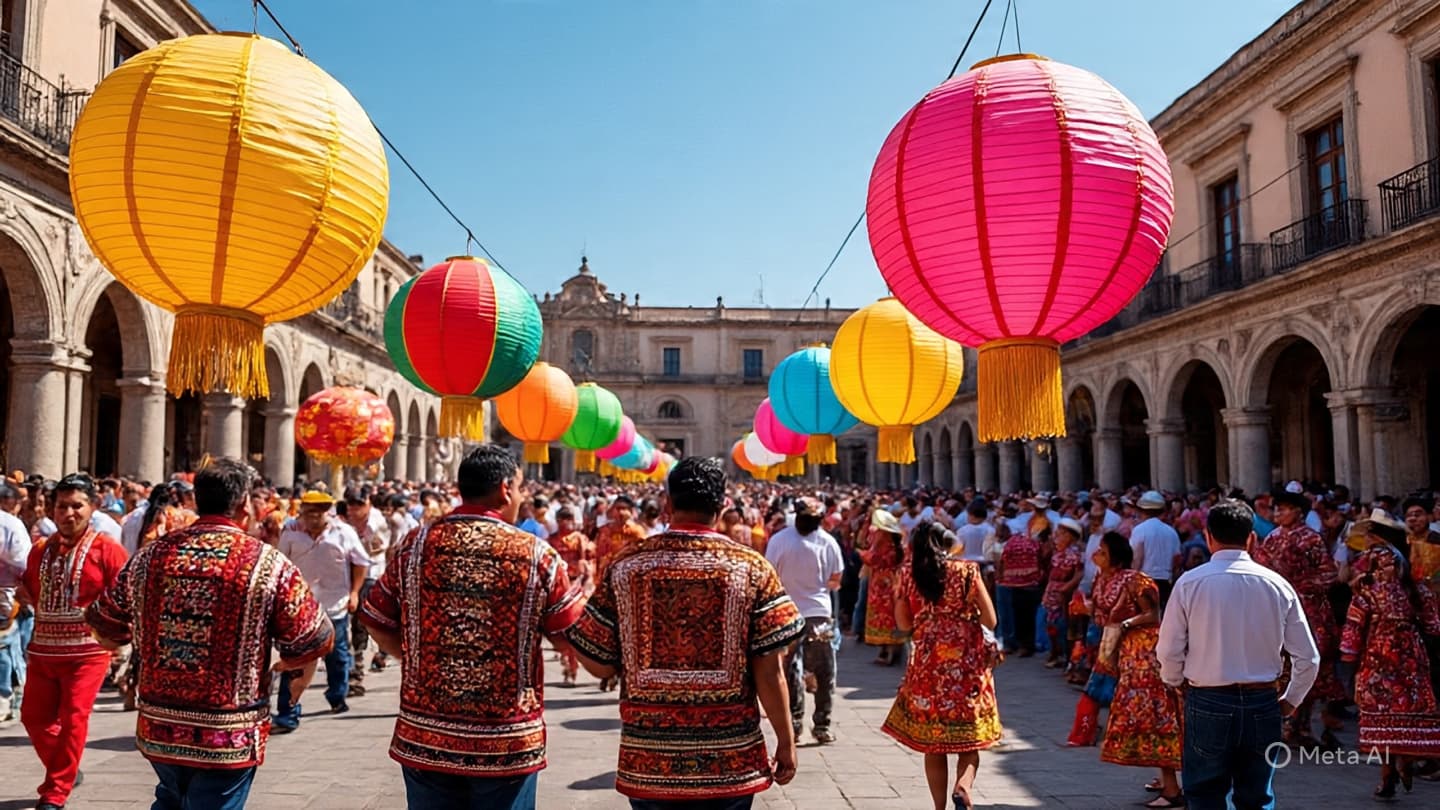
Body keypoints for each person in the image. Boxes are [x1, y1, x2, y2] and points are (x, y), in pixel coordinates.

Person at [86, 459, 334, 810]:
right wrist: (294, 674)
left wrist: (138, 641)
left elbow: (104, 622)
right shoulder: (266, 563)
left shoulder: (150, 557)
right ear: (244, 505)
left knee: (170, 798)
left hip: (161, 723)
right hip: (226, 730)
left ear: (196, 501)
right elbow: (313, 638)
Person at [566, 456, 805, 808]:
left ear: (668, 503)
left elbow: (599, 665)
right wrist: (786, 741)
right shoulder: (752, 568)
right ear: (723, 506)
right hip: (729, 760)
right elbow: (770, 672)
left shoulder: (627, 566)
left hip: (649, 760)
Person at [360, 445, 584, 810]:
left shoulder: (415, 545)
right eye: (522, 487)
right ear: (506, 488)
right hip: (505, 740)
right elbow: (570, 634)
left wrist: (416, 659)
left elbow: (375, 619)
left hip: (427, 733)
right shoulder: (535, 554)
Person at [1157, 499, 1321, 810]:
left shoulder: (1190, 583)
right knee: (1256, 795)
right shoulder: (1278, 585)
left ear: (1208, 537)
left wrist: (1175, 681)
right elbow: (1308, 658)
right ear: (1252, 538)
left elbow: (1168, 648)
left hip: (1208, 698)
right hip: (1262, 701)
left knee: (1205, 793)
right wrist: (1290, 700)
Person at [17, 474, 128, 810]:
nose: (69, 513)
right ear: (52, 510)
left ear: (92, 508)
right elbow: (29, 588)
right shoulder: (40, 550)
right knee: (33, 719)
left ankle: (55, 792)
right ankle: (64, 767)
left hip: (87, 652)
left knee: (74, 717)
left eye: (77, 506)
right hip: (43, 650)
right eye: (62, 506)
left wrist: (120, 638)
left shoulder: (107, 550)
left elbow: (126, 594)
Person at [882, 522, 1000, 810]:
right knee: (970, 742)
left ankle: (939, 808)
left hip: (927, 667)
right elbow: (990, 620)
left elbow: (904, 625)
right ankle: (963, 787)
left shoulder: (908, 575)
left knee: (932, 745)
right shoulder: (967, 571)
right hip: (966, 666)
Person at [1339, 508, 1440, 799]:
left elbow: (1356, 622)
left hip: (1378, 653)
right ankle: (1405, 761)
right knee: (1407, 709)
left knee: (1382, 713)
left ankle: (1387, 775)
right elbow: (1433, 625)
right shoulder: (1416, 580)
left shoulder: (1368, 585)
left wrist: (1348, 653)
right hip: (1410, 654)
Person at [1077, 533, 1182, 807]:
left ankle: (1172, 787)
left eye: (1102, 550)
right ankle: (1165, 777)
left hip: (1146, 651)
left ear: (1115, 555)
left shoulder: (1135, 579)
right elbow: (1102, 614)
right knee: (1144, 714)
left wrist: (1126, 623)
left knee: (1154, 713)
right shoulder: (1102, 580)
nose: (1096, 554)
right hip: (1124, 652)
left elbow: (1153, 614)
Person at [1251, 487, 1343, 750]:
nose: (1279, 512)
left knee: (1310, 664)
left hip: (1309, 610)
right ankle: (1284, 725)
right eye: (1276, 508)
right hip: (1276, 610)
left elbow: (1328, 574)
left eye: (1284, 508)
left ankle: (1303, 725)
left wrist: (1300, 589)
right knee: (1280, 667)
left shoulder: (1310, 539)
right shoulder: (1271, 538)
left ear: (1299, 512)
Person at [274, 490, 370, 730]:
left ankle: (337, 696)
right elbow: (280, 562)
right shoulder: (291, 531)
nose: (311, 519)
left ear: (326, 513)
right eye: (307, 513)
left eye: (316, 514)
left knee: (337, 656)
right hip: (299, 607)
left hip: (334, 603)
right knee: (296, 659)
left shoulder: (343, 532)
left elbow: (361, 563)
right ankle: (287, 712)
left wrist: (355, 593)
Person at [765, 496, 843, 744]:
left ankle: (800, 723)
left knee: (792, 670)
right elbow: (836, 579)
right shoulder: (828, 542)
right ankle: (816, 724)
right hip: (816, 612)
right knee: (821, 672)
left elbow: (770, 577)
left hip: (789, 612)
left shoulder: (779, 540)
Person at [342, 487, 390, 697]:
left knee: (360, 623)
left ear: (367, 503)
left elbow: (377, 548)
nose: (353, 510)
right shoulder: (342, 520)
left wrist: (354, 542)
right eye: (351, 505)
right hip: (344, 575)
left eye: (358, 505)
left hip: (370, 573)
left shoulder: (376, 522)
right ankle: (350, 667)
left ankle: (357, 671)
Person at [548, 506, 595, 686]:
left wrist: (587, 582)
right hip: (558, 587)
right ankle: (566, 661)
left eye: (568, 518)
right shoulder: (551, 540)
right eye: (562, 518)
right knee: (560, 628)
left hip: (576, 586)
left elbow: (587, 561)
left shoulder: (580, 540)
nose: (565, 522)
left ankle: (573, 664)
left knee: (574, 626)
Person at [1, 480, 32, 723]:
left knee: (5, 645)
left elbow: (24, 564)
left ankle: (7, 695)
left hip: (6, 595)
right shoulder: (10, 523)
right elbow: (24, 563)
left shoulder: (9, 524)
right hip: (6, 594)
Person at [860, 508, 907, 665]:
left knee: (885, 617)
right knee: (890, 617)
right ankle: (888, 650)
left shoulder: (885, 546)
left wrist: (860, 553)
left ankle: (888, 652)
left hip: (883, 587)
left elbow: (872, 559)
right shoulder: (894, 546)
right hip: (888, 585)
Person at [997, 514, 1045, 658]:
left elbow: (1002, 561)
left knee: (1019, 615)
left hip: (1016, 584)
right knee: (1029, 615)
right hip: (1032, 583)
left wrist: (1001, 576)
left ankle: (1022, 644)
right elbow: (1040, 558)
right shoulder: (1032, 542)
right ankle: (1027, 644)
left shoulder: (1012, 543)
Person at [1043, 517, 1085, 670]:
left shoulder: (1074, 554)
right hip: (1052, 591)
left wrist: (1067, 587)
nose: (1058, 536)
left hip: (1064, 594)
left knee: (1063, 625)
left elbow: (1079, 573)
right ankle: (1056, 653)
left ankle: (1066, 656)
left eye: (1062, 533)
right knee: (1051, 624)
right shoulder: (1057, 553)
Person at [1129, 491, 1181, 609]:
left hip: (1144, 580)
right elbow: (1176, 560)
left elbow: (1137, 558)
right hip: (1165, 582)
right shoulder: (1171, 532)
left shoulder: (1139, 530)